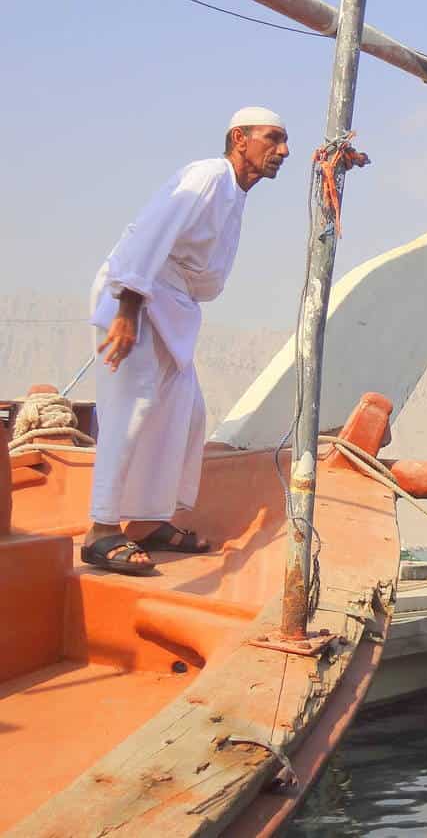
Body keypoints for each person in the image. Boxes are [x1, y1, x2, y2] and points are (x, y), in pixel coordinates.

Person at [82, 107, 290, 574]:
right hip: (138, 294)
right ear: (240, 138)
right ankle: (100, 531)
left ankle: (151, 520)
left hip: (172, 307)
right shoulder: (206, 176)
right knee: (130, 409)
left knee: (186, 412)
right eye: (273, 139)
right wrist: (128, 310)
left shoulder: (234, 192)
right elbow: (151, 232)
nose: (283, 151)